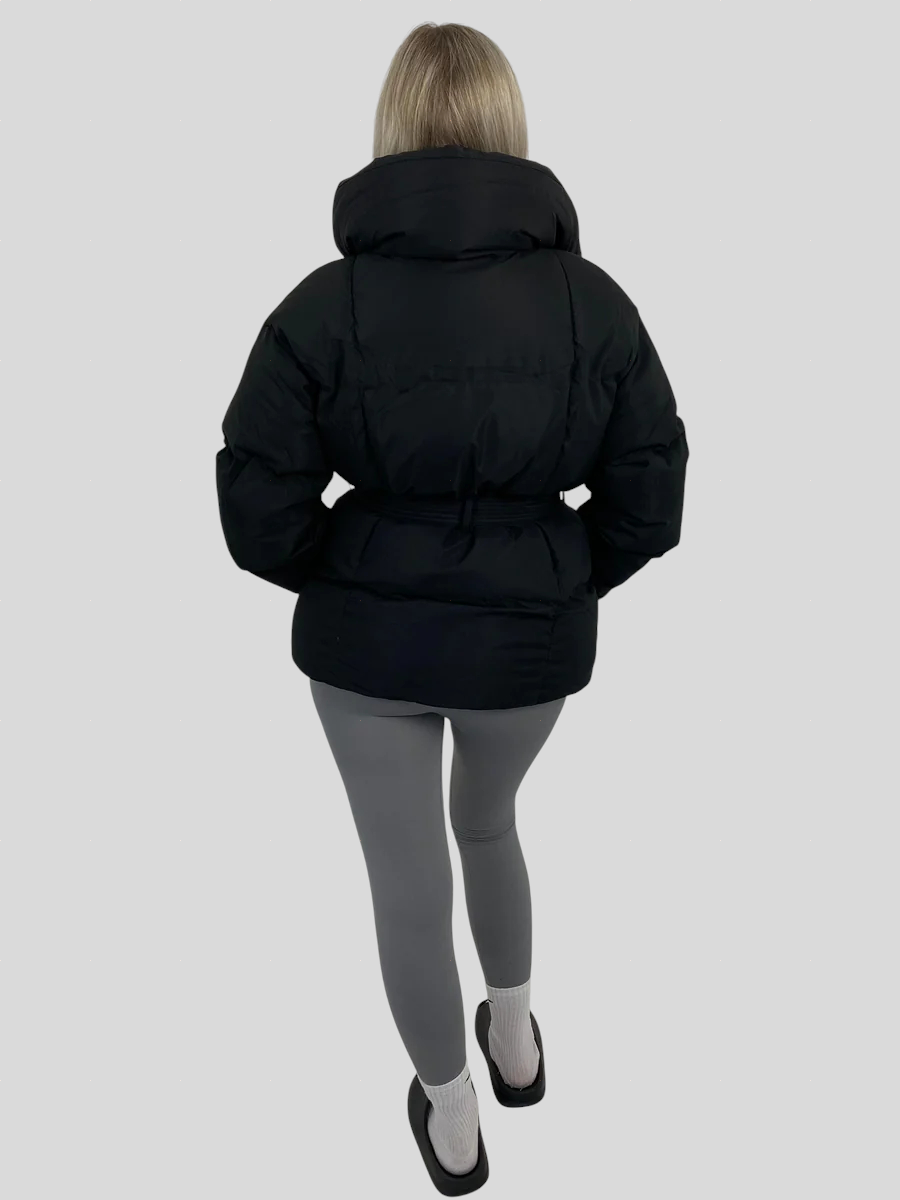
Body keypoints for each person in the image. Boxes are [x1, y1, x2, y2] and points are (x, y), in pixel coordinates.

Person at [216, 21, 688, 1195]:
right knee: (488, 823)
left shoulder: (323, 305)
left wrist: (346, 568)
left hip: (366, 656)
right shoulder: (592, 304)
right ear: (508, 126)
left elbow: (256, 492)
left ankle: (454, 1119)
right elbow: (652, 487)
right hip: (526, 651)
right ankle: (516, 1040)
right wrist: (556, 572)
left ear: (391, 130)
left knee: (405, 880)